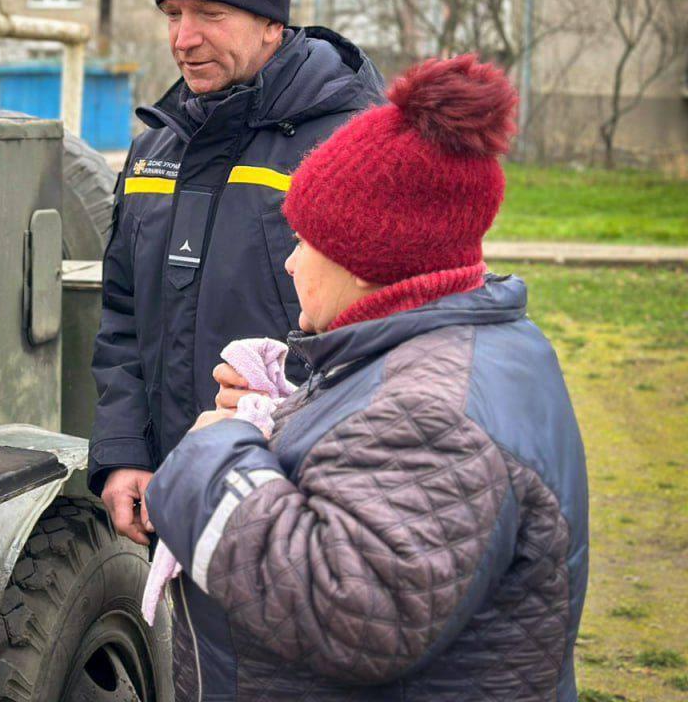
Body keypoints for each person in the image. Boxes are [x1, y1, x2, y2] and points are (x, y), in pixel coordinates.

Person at [145, 55, 590, 701]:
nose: (293, 263)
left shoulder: (429, 417)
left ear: (364, 260)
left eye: (303, 240)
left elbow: (351, 611)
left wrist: (214, 454)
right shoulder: (476, 343)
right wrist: (291, 416)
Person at [88, 0, 384, 546]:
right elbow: (122, 320)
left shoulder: (350, 147)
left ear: (272, 23)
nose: (184, 38)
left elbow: (387, 336)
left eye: (209, 14)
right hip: (172, 487)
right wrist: (124, 452)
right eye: (173, 15)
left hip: (298, 502)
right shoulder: (152, 151)